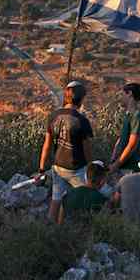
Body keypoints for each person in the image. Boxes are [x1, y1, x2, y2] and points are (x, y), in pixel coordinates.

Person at [38, 81, 93, 224]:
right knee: (83, 199)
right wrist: (91, 167)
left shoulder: (53, 116)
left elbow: (47, 145)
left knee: (56, 200)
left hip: (58, 167)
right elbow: (87, 149)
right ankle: (77, 229)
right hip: (77, 169)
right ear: (81, 99)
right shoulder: (82, 121)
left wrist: (42, 168)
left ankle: (50, 229)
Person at [109, 83, 140, 174]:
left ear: (130, 94)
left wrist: (116, 165)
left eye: (122, 94)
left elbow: (132, 145)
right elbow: (122, 138)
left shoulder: (137, 116)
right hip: (123, 166)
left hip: (131, 167)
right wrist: (113, 157)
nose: (121, 98)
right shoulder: (128, 115)